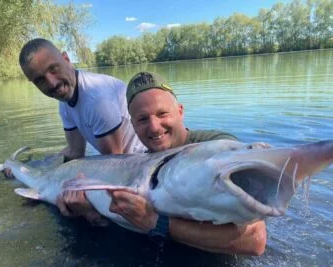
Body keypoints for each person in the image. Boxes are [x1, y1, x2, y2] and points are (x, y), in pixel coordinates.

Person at [105, 72, 267, 255]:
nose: (154, 127)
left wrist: (156, 222)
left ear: (180, 111)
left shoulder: (217, 150)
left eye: (162, 114)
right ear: (133, 126)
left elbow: (255, 240)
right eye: (142, 119)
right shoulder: (142, 164)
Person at [16, 38, 145, 223]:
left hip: (137, 174)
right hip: (117, 169)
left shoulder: (97, 99)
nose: (52, 83)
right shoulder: (65, 102)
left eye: (53, 69)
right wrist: (33, 169)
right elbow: (74, 152)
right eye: (40, 80)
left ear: (66, 59)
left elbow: (113, 167)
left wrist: (89, 212)